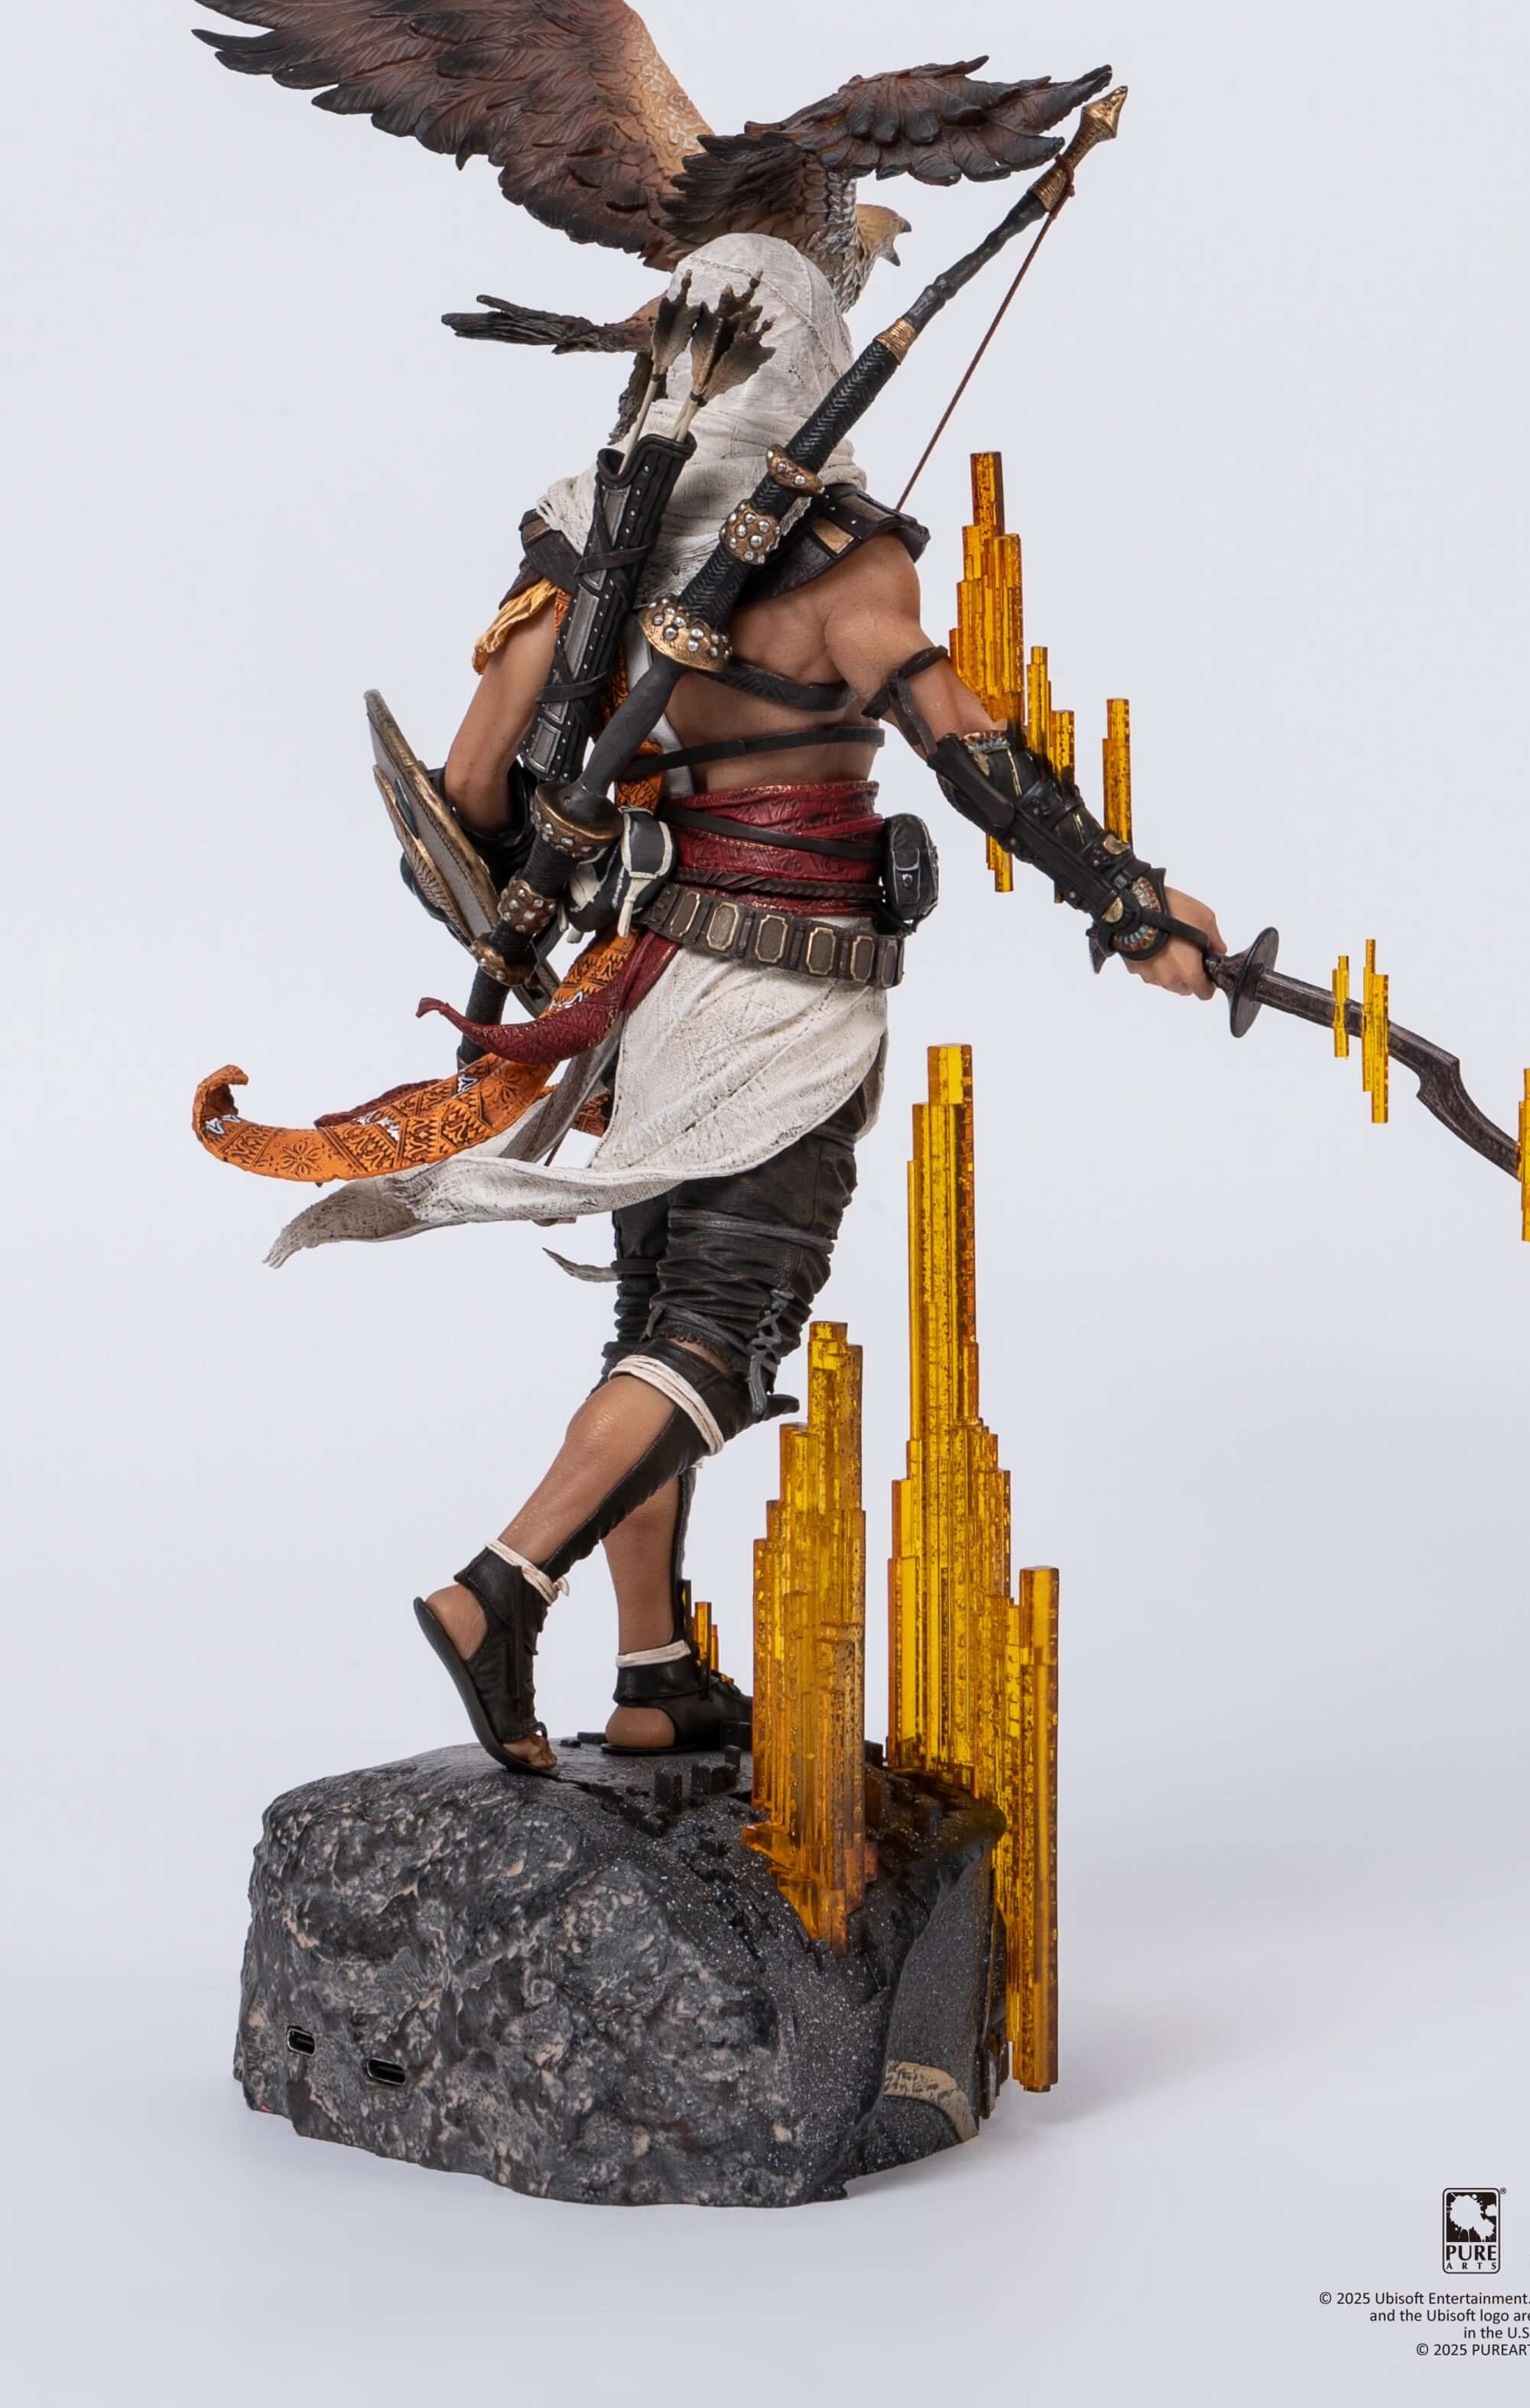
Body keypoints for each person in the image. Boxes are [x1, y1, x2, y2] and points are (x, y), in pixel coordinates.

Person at [398, 226, 1226, 1773]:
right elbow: (964, 741)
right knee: (719, 1336)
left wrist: (529, 882)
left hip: (644, 978)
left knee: (654, 1323)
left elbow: (466, 789)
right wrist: (1122, 895)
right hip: (786, 988)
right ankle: (496, 1588)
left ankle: (652, 1669)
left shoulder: (579, 541)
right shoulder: (851, 564)